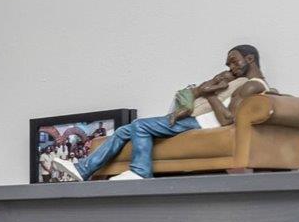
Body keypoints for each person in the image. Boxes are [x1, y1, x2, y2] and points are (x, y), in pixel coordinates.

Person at [55, 45, 270, 182]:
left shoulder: (252, 85)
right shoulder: (241, 82)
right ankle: (83, 169)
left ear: (250, 59)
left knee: (140, 125)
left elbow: (226, 119)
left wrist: (209, 94)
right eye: (228, 63)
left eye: (234, 61)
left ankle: (140, 171)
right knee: (123, 131)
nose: (231, 67)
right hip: (198, 119)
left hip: (203, 123)